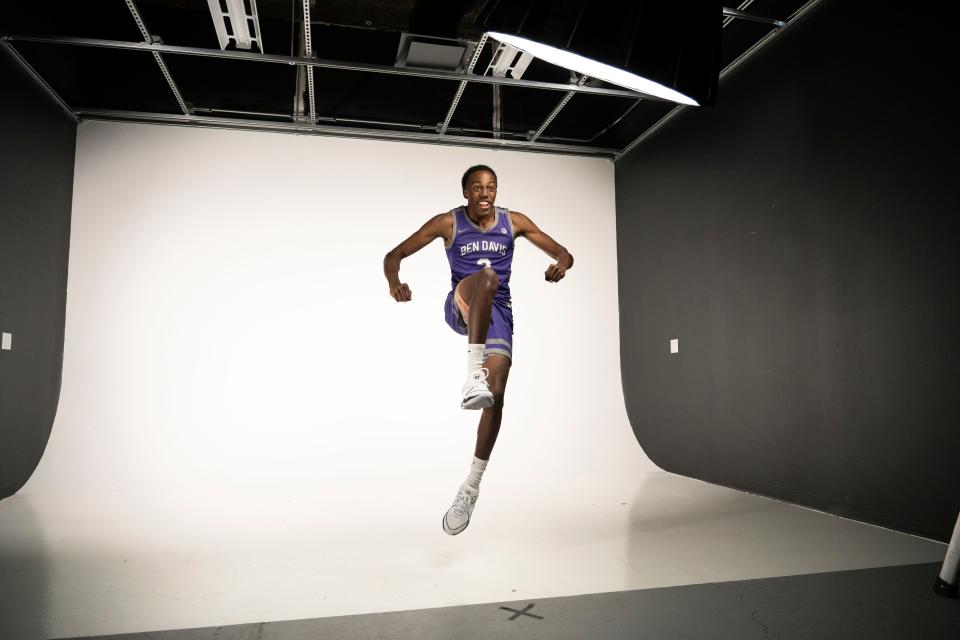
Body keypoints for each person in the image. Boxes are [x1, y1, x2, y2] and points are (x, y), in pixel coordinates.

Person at [383, 165, 574, 535]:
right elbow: (394, 255)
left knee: (497, 396)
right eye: (477, 188)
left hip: (498, 314)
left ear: (496, 191)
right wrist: (395, 282)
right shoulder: (448, 223)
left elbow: (564, 252)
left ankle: (470, 486)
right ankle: (472, 375)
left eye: (491, 187)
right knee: (487, 278)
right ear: (466, 193)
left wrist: (561, 265)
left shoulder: (513, 222)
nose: (484, 194)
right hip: (462, 304)